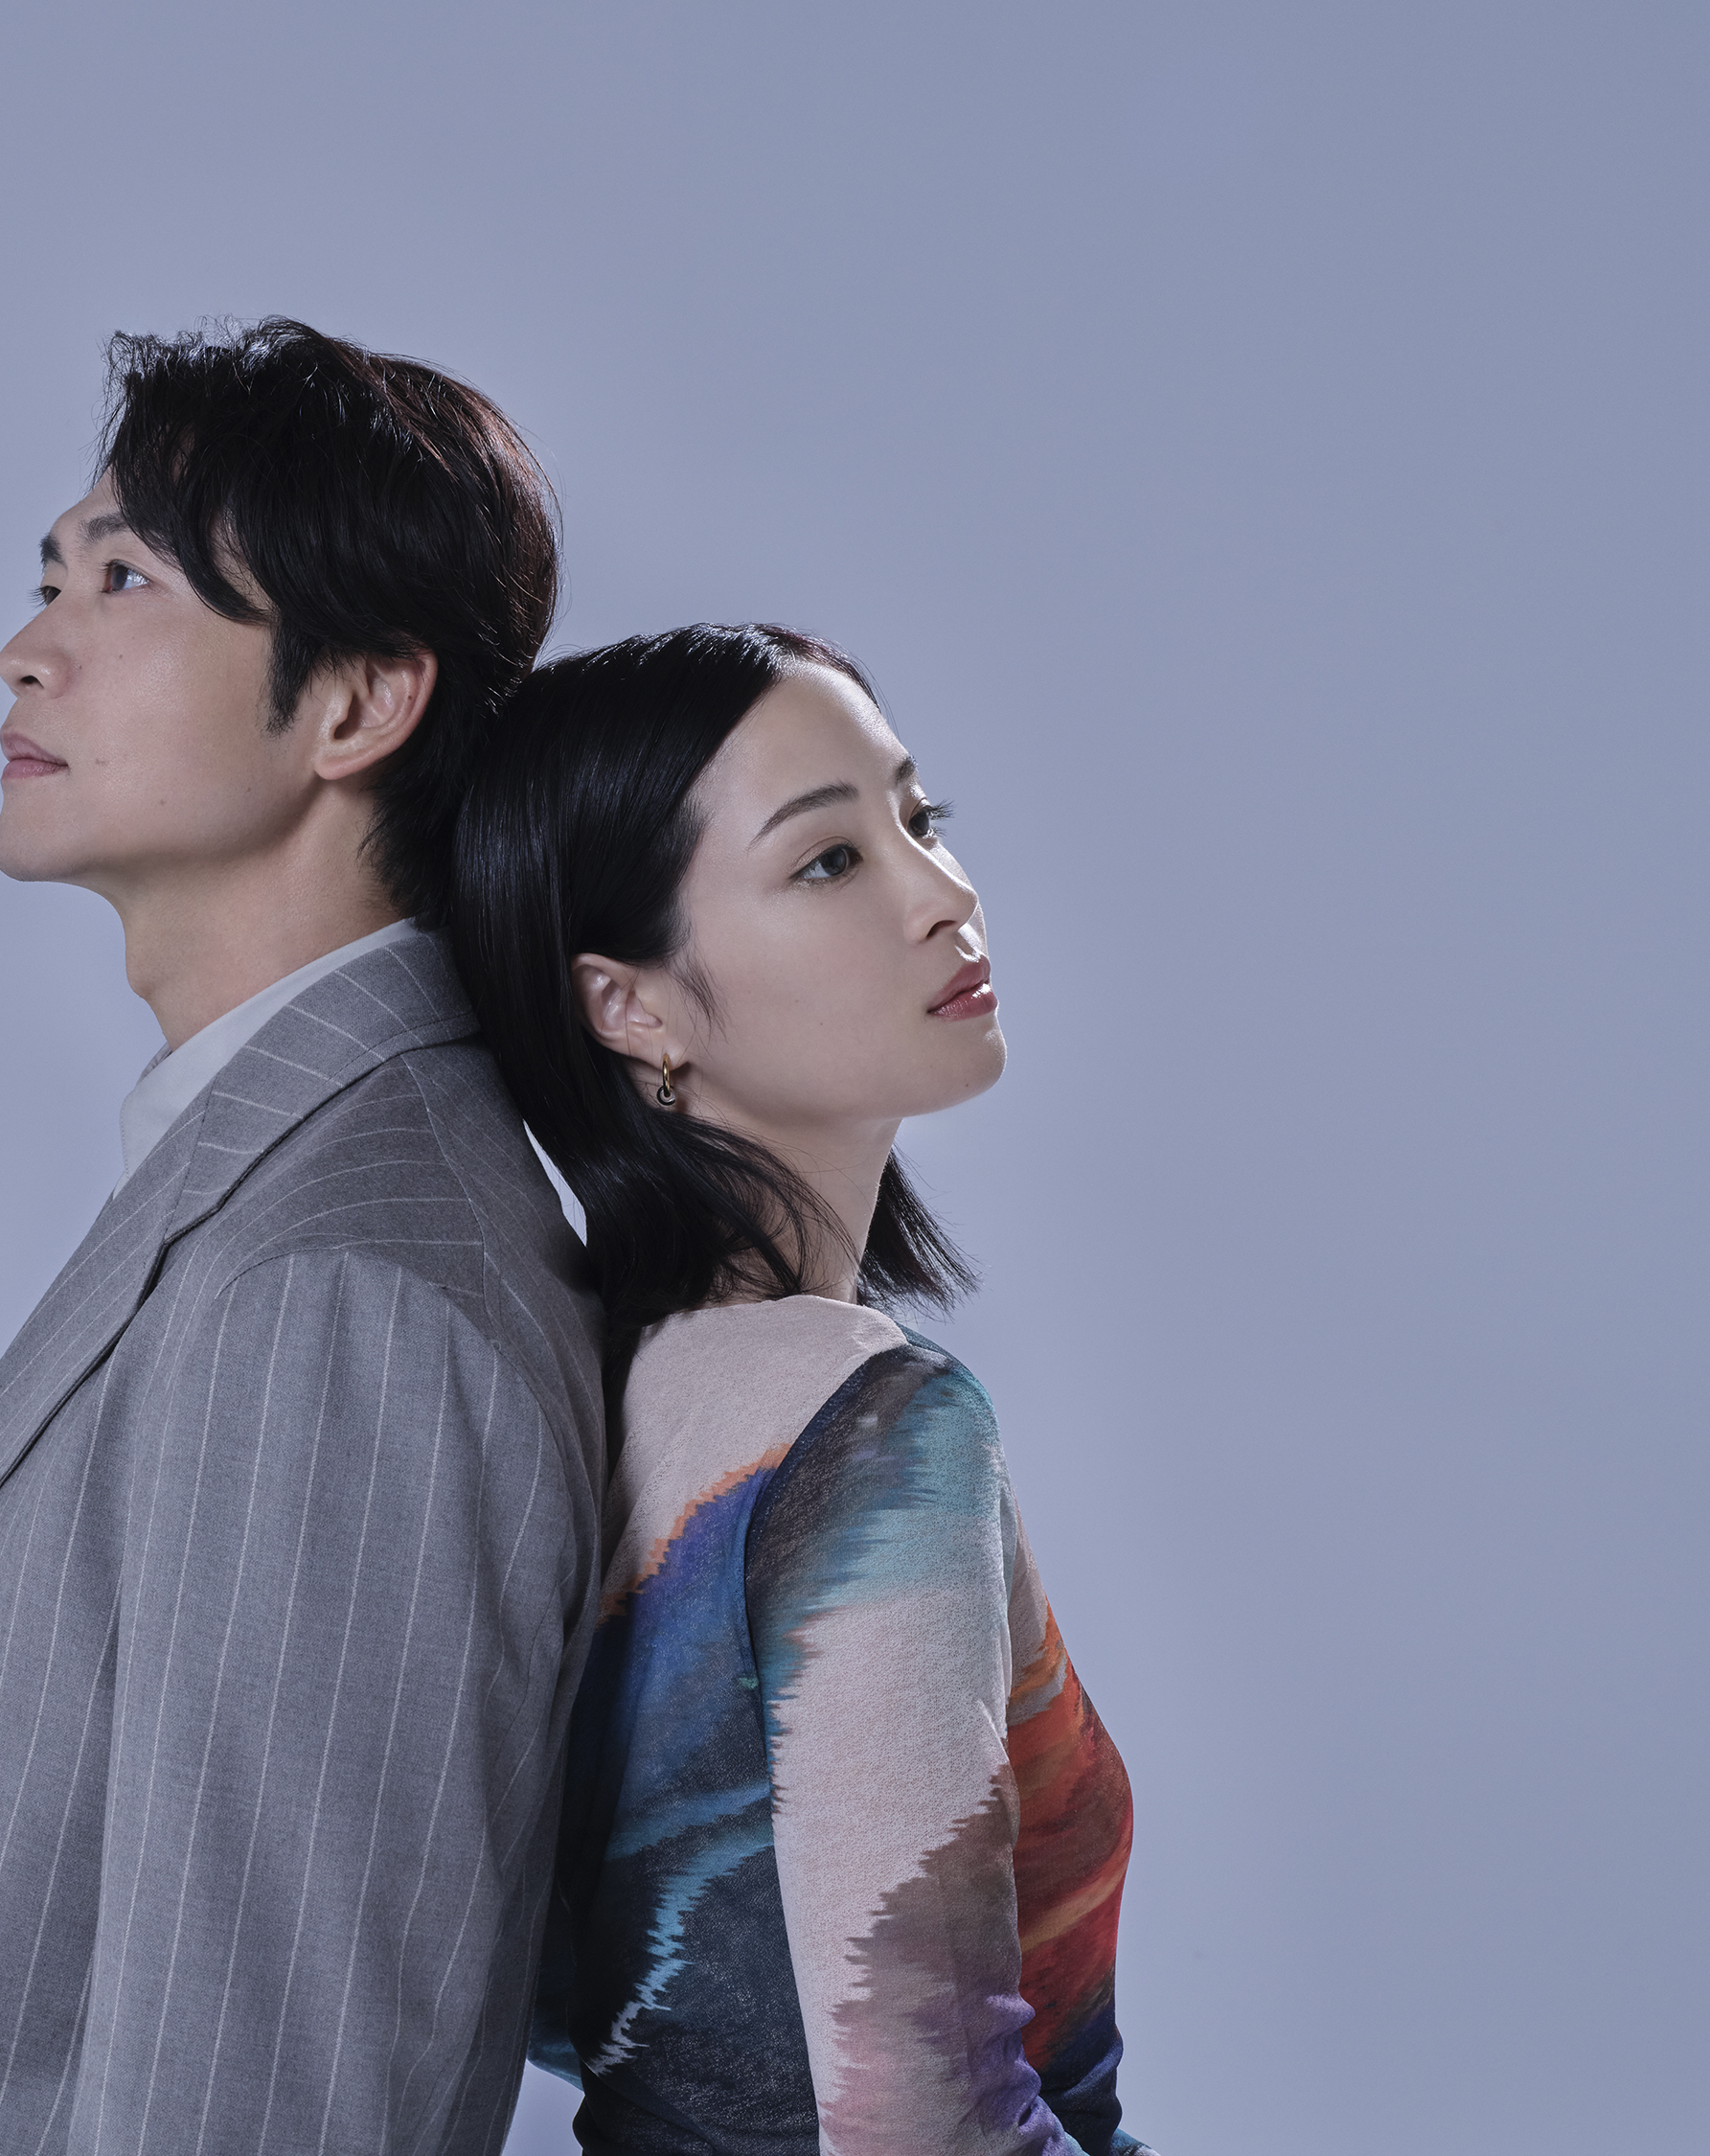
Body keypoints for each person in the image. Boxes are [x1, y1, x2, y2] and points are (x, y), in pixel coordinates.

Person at [0, 321, 604, 2156]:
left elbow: (262, 2105)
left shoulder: (344, 1292)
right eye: (48, 575)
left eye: (124, 578)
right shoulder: (273, 1198)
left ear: (358, 705)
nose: (28, 644)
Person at [449, 625, 1153, 2155]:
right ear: (629, 1004)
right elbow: (928, 2126)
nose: (943, 894)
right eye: (829, 860)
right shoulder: (872, 1432)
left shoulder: (579, 1392)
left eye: (920, 818)